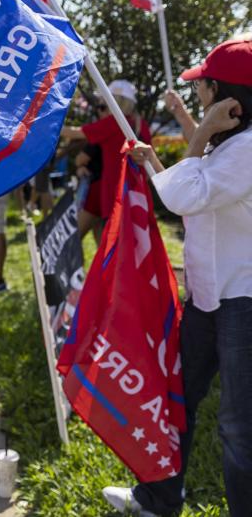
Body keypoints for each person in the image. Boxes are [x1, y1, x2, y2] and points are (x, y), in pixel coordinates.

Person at [104, 37, 252, 516]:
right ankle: (157, 498)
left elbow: (184, 198)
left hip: (240, 306)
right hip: (209, 301)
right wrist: (155, 163)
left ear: (226, 96)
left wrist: (201, 131)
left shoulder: (245, 150)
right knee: (176, 403)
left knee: (237, 428)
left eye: (203, 88)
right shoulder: (230, 149)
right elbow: (195, 200)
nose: (198, 96)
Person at [61, 79, 151, 227]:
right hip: (137, 194)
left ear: (113, 101)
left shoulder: (112, 123)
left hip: (115, 194)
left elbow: (75, 133)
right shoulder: (141, 124)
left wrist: (47, 127)